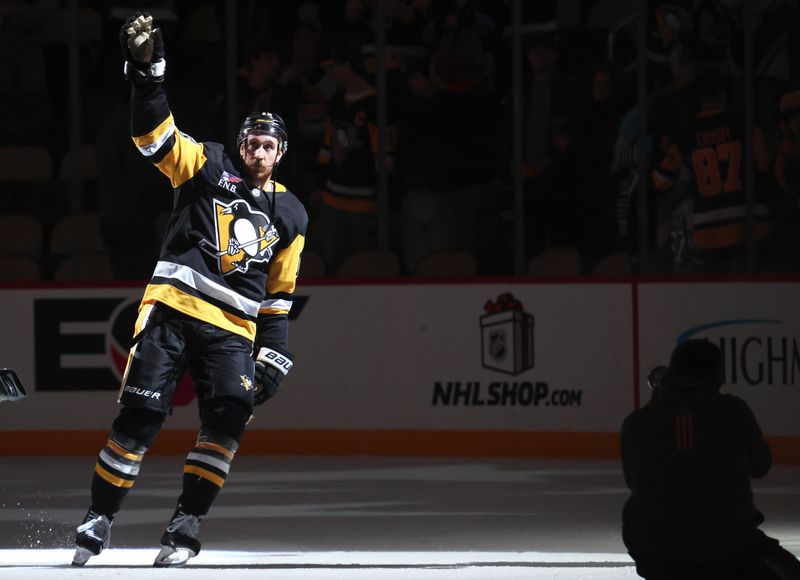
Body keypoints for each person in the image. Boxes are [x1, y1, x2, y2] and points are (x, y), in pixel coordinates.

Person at [71, 13, 308, 568]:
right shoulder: (207, 163)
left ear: (281, 154)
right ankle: (99, 516)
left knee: (227, 420)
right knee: (139, 418)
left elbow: (278, 295)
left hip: (233, 333)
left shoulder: (293, 213)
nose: (258, 152)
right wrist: (148, 74)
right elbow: (153, 137)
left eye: (268, 146)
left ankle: (185, 524)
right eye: (252, 142)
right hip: (172, 313)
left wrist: (274, 352)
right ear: (241, 145)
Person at [621, 339, 800, 580]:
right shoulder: (734, 411)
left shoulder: (637, 423)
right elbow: (761, 465)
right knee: (774, 558)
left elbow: (635, 482)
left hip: (656, 554)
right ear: (717, 376)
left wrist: (660, 398)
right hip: (728, 552)